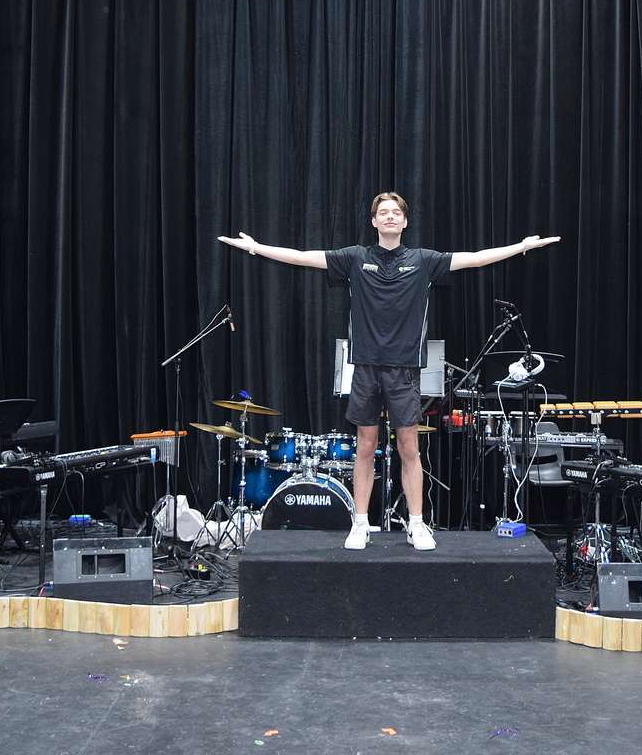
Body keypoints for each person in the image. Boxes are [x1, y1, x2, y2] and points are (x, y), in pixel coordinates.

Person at [218, 192, 559, 550]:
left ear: (405, 221)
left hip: (404, 372)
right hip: (365, 369)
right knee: (365, 447)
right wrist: (257, 248)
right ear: (374, 222)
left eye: (396, 212)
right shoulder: (355, 258)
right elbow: (304, 258)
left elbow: (474, 260)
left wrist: (520, 246)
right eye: (384, 213)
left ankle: (416, 523)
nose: (391, 217)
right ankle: (361, 523)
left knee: (409, 449)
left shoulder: (423, 261)